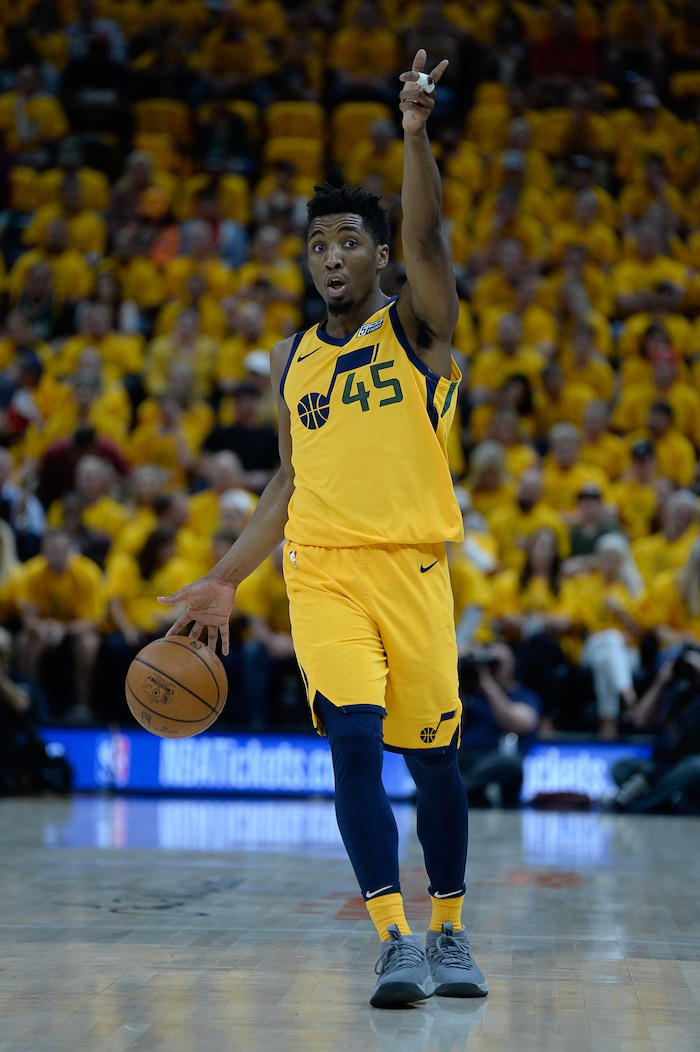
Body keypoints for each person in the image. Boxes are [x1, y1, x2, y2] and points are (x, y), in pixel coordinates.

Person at [159, 50, 488, 1009]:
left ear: (378, 257)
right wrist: (227, 576)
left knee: (433, 762)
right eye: (317, 245)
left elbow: (430, 243)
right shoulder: (289, 359)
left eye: (348, 241)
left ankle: (450, 929)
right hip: (324, 575)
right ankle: (391, 938)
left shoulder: (421, 332)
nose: (331, 256)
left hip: (415, 572)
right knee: (351, 743)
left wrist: (415, 138)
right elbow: (285, 489)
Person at [458, 642, 542, 807]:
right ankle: (464, 789)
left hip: (495, 758)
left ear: (513, 665)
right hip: (465, 756)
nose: (495, 668)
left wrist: (486, 682)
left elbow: (516, 724)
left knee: (511, 763)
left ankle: (458, 790)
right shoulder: (469, 695)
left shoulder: (523, 695)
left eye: (498, 663)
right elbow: (454, 728)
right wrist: (458, 678)